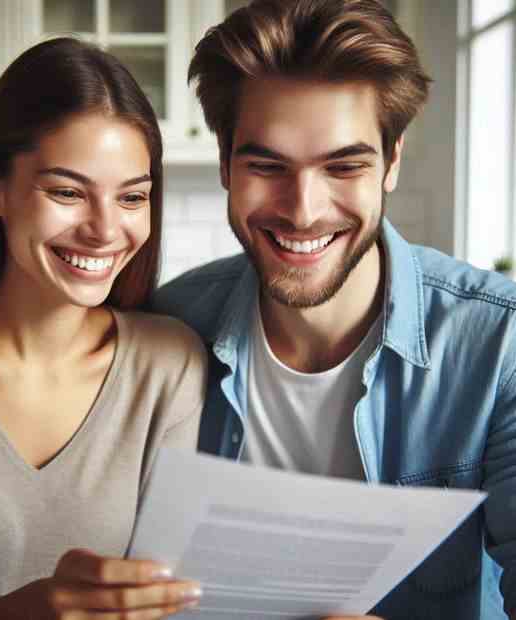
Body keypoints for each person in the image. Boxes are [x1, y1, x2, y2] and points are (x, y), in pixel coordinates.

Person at [153, 0, 516, 618]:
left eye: (344, 166)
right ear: (224, 164)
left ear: (391, 162)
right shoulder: (166, 325)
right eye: (267, 165)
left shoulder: (499, 343)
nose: (302, 210)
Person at [0, 37, 206, 619]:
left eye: (133, 197)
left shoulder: (169, 362)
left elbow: (167, 602)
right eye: (67, 192)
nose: (105, 230)